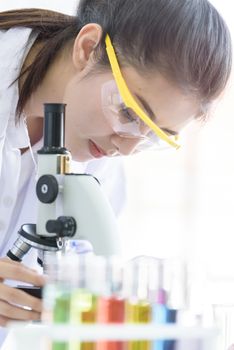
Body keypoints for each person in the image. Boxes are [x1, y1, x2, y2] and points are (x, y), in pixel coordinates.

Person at [0, 0, 232, 331]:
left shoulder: (96, 158)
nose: (125, 146)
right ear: (88, 47)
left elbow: (91, 276)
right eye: (128, 113)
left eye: (153, 135)